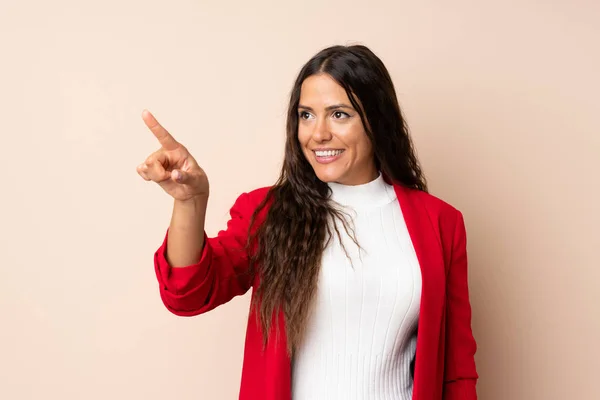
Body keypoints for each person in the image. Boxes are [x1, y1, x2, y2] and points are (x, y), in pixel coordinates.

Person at [137, 44, 478, 400]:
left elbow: (456, 373)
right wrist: (191, 201)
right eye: (306, 115)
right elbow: (188, 294)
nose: (318, 134)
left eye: (340, 114)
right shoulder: (269, 213)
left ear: (377, 120)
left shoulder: (440, 223)